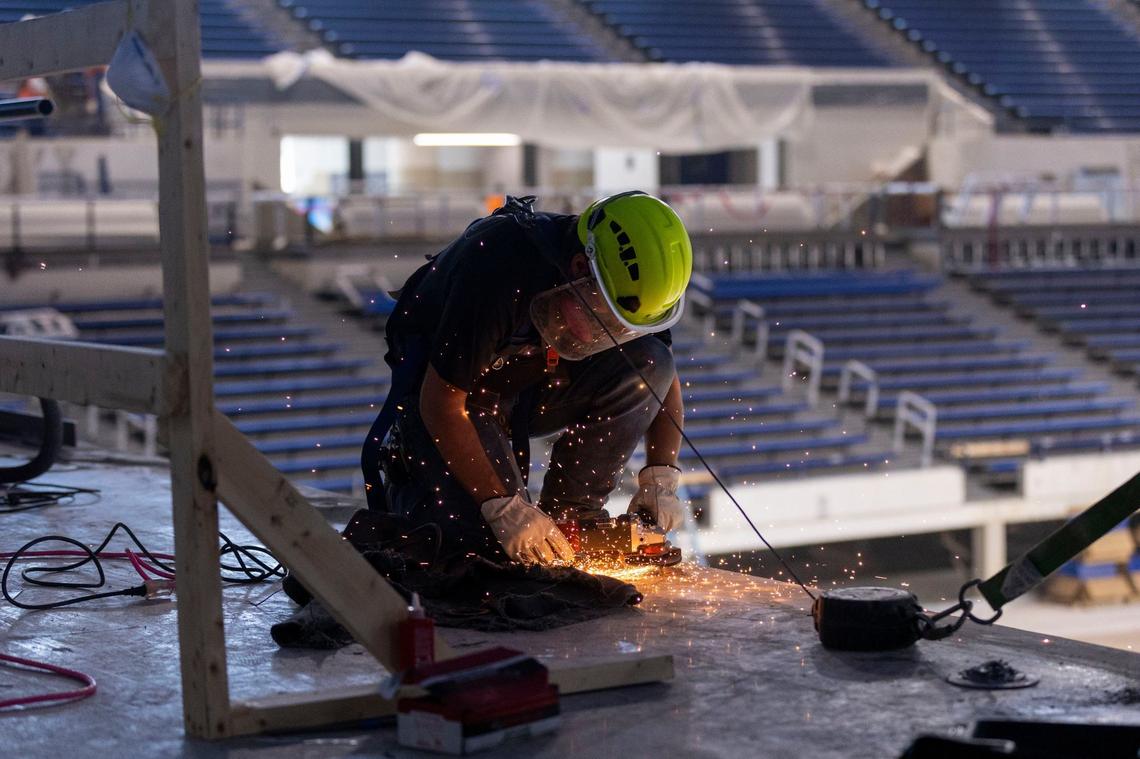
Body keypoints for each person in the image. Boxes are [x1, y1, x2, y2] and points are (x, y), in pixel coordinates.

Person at [361, 192, 692, 566]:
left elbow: (660, 371)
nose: (611, 332)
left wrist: (661, 476)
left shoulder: (633, 293)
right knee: (496, 551)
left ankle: (572, 518)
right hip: (451, 403)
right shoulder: (498, 271)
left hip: (528, 385)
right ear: (580, 267)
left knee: (650, 359)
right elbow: (440, 404)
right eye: (606, 317)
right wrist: (500, 504)